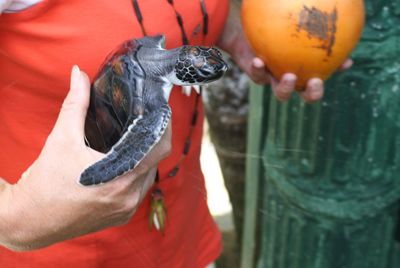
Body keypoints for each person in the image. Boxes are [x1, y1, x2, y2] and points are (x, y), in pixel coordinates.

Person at [0, 0, 341, 267]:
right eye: (206, 72)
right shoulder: (155, 109)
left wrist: (247, 34)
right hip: (63, 251)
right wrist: (19, 217)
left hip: (181, 226)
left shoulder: (161, 50)